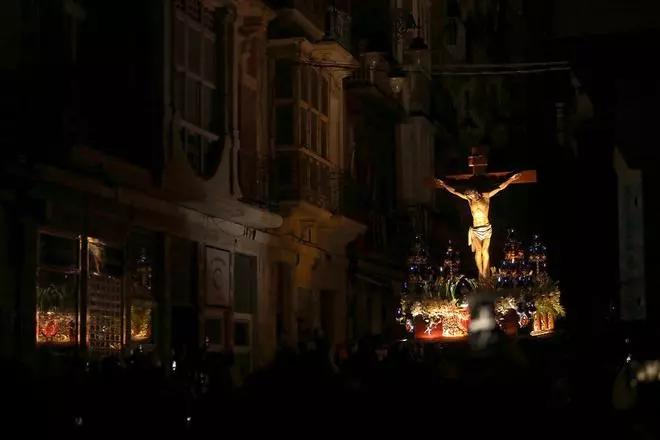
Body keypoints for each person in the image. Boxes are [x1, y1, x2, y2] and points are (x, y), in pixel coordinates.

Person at [433, 172, 521, 278]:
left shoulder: (486, 196)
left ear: (476, 193)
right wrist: (443, 184)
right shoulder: (470, 200)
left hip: (486, 228)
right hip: (475, 229)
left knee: (485, 251)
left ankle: (485, 271)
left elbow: (500, 187)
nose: (471, 198)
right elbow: (455, 192)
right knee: (478, 251)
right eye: (469, 196)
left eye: (472, 196)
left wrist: (511, 179)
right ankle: (481, 273)